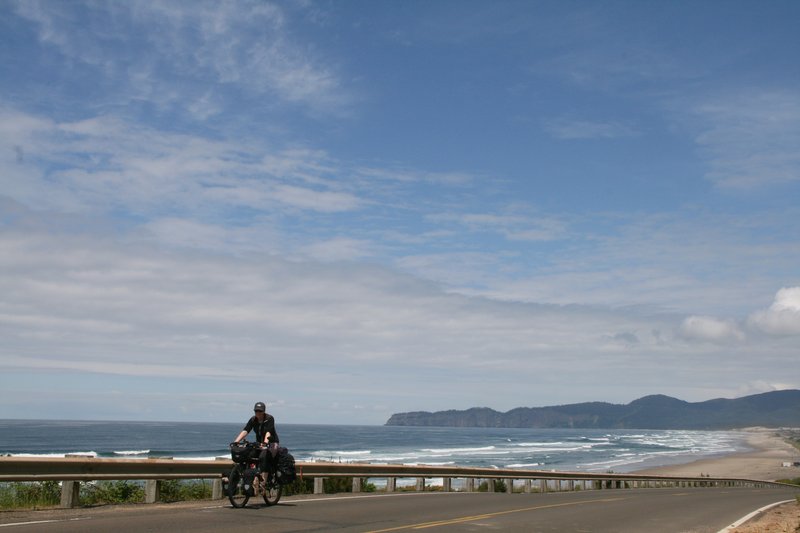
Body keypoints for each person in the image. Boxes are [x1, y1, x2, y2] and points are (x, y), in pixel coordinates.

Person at [233, 402, 280, 475]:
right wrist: (235, 442)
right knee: (249, 455)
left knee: (263, 456)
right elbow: (246, 430)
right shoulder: (253, 419)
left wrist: (265, 443)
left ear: (264, 411)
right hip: (259, 444)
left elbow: (268, 432)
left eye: (260, 411)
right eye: (256, 411)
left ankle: (263, 481)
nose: (258, 413)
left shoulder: (269, 418)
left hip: (271, 443)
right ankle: (251, 476)